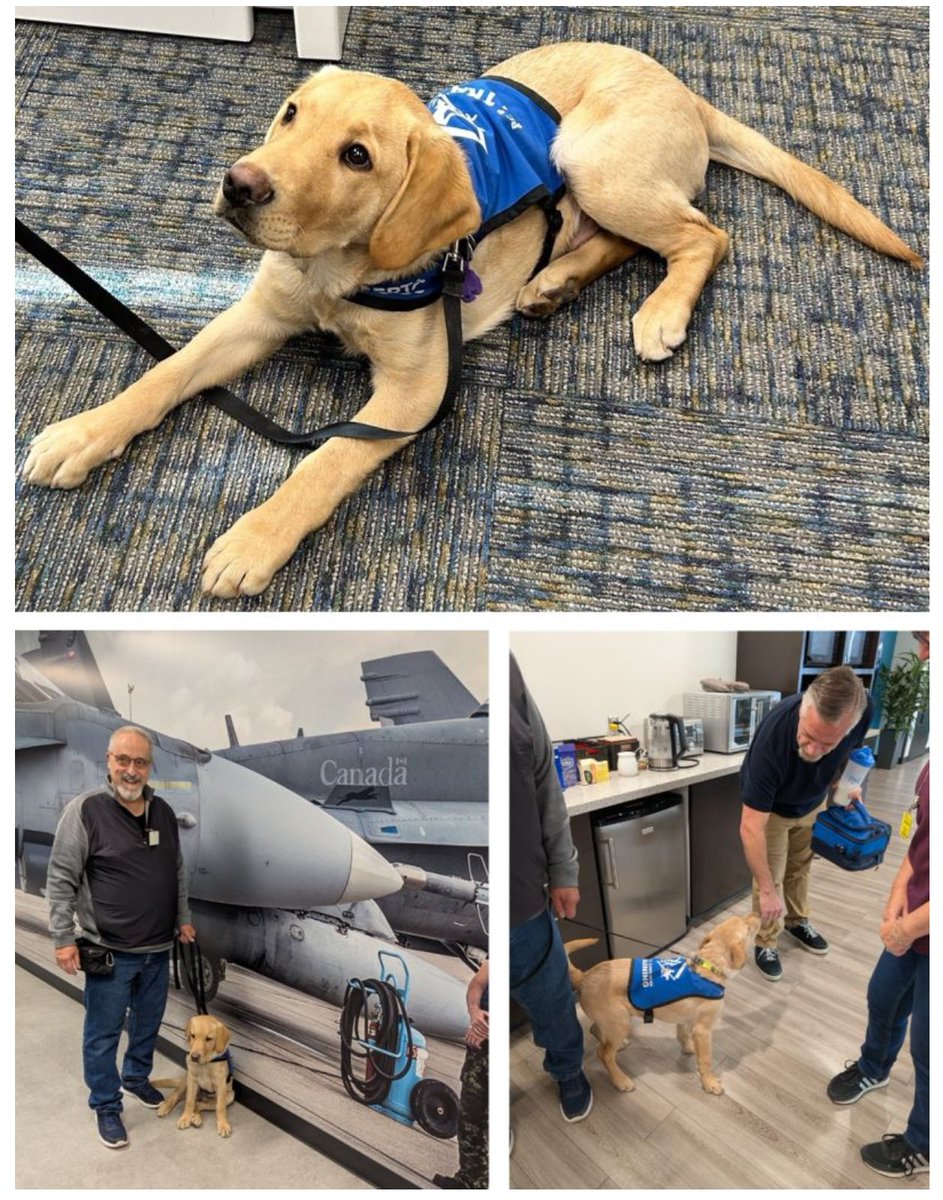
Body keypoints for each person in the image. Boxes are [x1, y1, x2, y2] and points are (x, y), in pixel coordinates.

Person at [47, 725, 197, 1149]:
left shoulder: (163, 812)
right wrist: (62, 937)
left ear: (150, 767)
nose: (132, 771)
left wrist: (182, 917)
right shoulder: (86, 810)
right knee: (103, 1032)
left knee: (147, 1025)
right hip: (110, 951)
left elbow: (176, 870)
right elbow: (61, 878)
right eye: (123, 761)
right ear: (109, 762)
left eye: (140, 762)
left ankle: (135, 1078)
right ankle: (107, 1105)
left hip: (157, 948)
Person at [827, 630, 929, 1178]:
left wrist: (908, 926)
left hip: (924, 928)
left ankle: (923, 1142)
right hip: (915, 923)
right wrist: (895, 903)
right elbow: (922, 845)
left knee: (929, 1045)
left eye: (932, 640)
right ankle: (873, 1068)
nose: (925, 654)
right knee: (883, 996)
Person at [739, 666, 872, 981]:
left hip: (812, 802)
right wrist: (770, 892)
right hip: (772, 812)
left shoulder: (862, 710)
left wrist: (847, 783)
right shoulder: (773, 738)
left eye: (827, 744)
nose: (813, 750)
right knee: (769, 879)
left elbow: (852, 751)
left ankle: (796, 922)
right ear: (802, 709)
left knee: (801, 868)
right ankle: (765, 940)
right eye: (809, 736)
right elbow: (750, 827)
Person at [509, 654, 590, 1123]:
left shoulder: (510, 677)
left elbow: (544, 782)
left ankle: (568, 1070)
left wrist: (564, 870)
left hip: (524, 903)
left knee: (553, 1000)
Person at [433, 960, 489, 1189]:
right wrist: (475, 1013)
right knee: (470, 1116)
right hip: (480, 1047)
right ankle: (469, 1180)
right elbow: (477, 983)